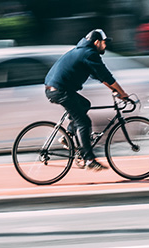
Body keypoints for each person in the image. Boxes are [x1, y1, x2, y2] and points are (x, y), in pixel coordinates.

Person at [45, 29, 130, 171]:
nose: (105, 46)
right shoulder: (89, 53)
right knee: (84, 121)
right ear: (96, 42)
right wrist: (122, 93)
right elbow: (106, 75)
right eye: (104, 43)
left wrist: (115, 90)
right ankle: (89, 159)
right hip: (60, 91)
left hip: (57, 89)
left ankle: (69, 135)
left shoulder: (83, 51)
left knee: (85, 104)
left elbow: (100, 76)